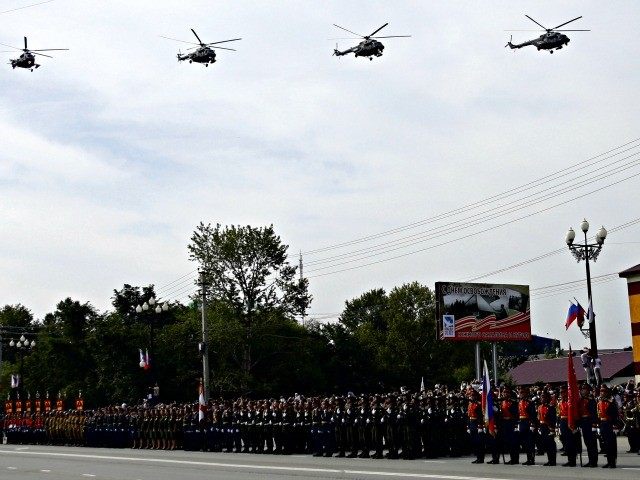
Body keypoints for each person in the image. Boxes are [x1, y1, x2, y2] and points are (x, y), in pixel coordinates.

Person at [597, 385, 619, 468]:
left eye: (603, 391)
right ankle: (609, 461)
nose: (601, 393)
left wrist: (615, 426)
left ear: (607, 392)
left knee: (611, 444)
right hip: (603, 424)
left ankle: (612, 462)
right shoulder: (599, 402)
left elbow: (615, 415)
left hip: (609, 424)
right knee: (605, 444)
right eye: (601, 391)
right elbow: (598, 413)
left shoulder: (611, 402)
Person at [537, 391, 556, 466]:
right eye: (541, 397)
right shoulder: (539, 407)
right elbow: (539, 418)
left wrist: (552, 429)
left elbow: (553, 419)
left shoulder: (551, 407)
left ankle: (552, 460)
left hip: (548, 427)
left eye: (544, 397)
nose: (542, 398)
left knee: (551, 444)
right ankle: (549, 460)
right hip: (542, 427)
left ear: (548, 398)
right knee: (546, 444)